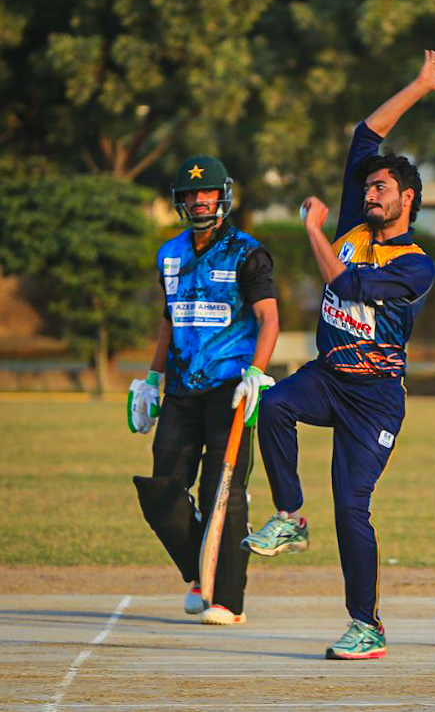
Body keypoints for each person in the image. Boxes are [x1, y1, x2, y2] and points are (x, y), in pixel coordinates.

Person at [242, 50, 435, 659]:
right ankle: (289, 516)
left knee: (351, 508)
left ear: (407, 198)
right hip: (329, 376)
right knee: (274, 406)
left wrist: (313, 232)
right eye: (367, 187)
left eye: (381, 187)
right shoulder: (358, 222)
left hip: (375, 399)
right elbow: (367, 132)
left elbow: (348, 285)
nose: (370, 193)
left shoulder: (416, 265)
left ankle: (367, 625)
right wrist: (419, 86)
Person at [129, 154, 278, 624]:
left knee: (222, 493)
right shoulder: (170, 253)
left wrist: (256, 373)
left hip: (231, 390)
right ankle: (202, 570)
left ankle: (227, 600)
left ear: (223, 195)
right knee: (162, 492)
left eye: (207, 192)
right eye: (190, 193)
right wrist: (152, 379)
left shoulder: (247, 252)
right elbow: (170, 318)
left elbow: (269, 318)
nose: (199, 200)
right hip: (180, 389)